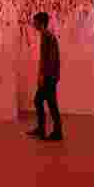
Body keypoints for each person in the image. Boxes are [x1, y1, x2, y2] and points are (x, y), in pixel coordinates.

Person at [26, 11, 64, 141]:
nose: (33, 24)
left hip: (49, 77)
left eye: (35, 21)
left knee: (48, 103)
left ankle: (56, 132)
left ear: (41, 23)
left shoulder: (48, 36)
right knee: (42, 102)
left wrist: (44, 76)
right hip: (49, 76)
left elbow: (52, 59)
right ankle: (43, 129)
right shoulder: (45, 35)